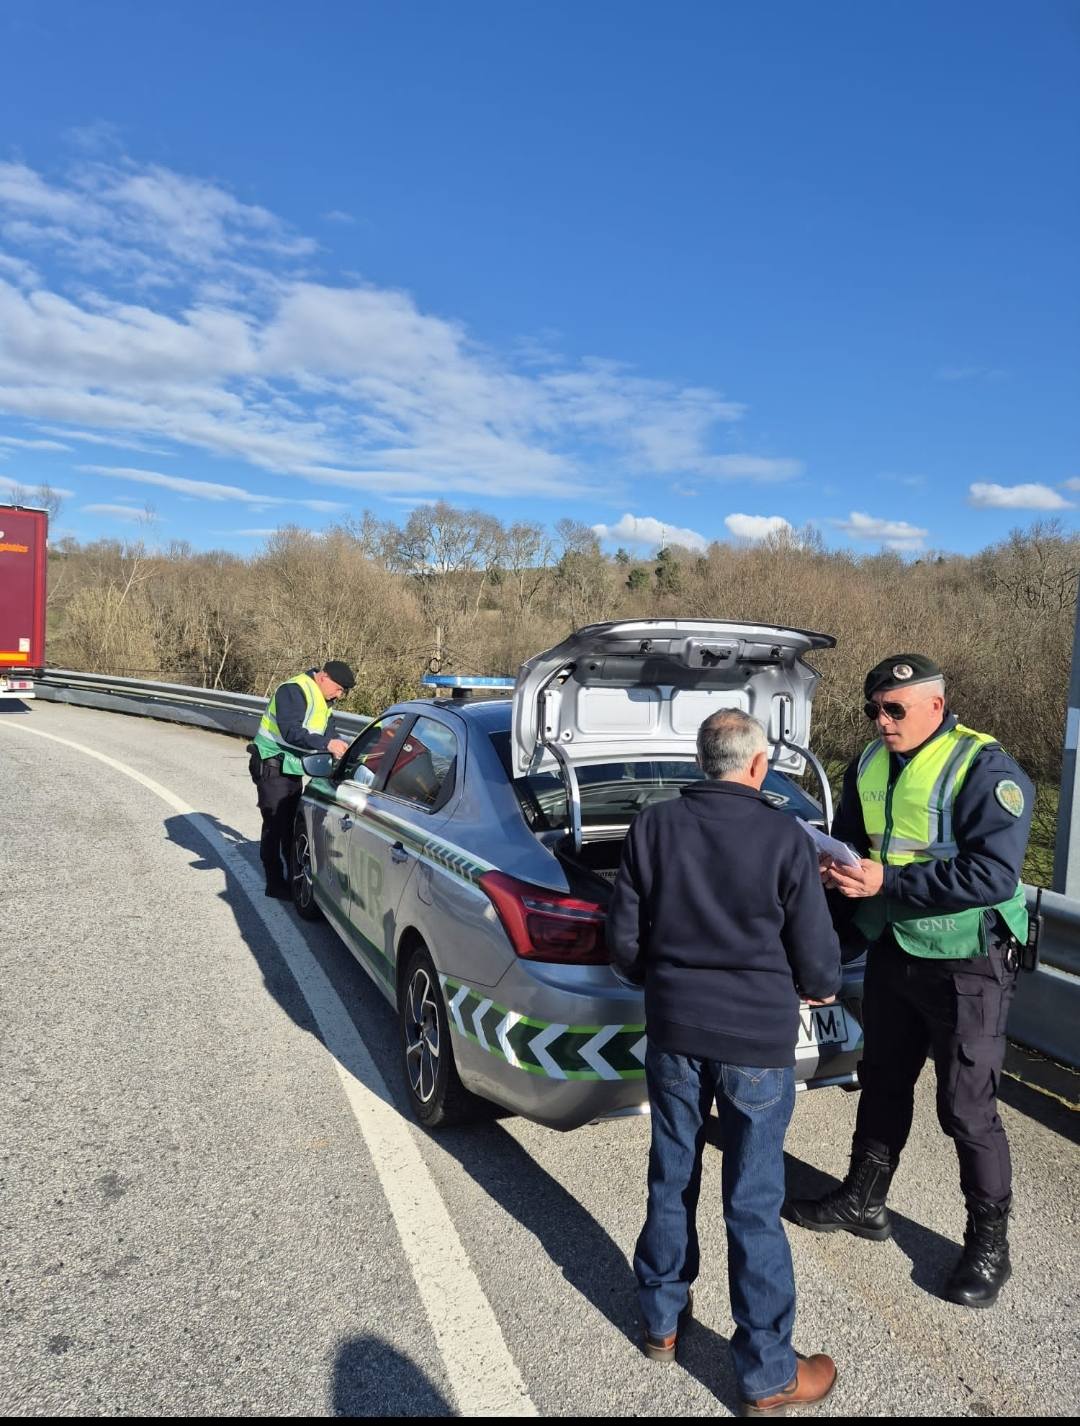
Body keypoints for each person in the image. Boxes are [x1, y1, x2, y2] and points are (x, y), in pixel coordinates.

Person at [608, 708, 841, 1417]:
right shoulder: (783, 835)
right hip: (756, 1046)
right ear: (758, 765)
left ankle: (660, 1322)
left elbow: (623, 942)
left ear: (701, 761)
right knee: (753, 1198)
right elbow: (820, 961)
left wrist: (666, 980)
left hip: (675, 1031)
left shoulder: (652, 826)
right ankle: (768, 1373)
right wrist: (816, 984)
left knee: (671, 1173)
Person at [786, 655, 1034, 1310]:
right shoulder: (867, 764)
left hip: (969, 961)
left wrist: (885, 881)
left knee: (967, 1106)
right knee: (884, 1079)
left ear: (934, 705)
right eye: (873, 709)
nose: (882, 721)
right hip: (894, 951)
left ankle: (988, 1243)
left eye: (895, 708)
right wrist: (827, 930)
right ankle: (864, 1201)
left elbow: (994, 877)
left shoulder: (983, 767)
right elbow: (852, 860)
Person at [248, 660, 355, 898]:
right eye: (338, 689)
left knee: (290, 826)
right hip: (270, 763)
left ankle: (294, 878)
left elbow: (328, 731)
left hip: (293, 767)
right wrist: (327, 744)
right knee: (276, 826)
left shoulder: (324, 700)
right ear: (324, 677)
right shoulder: (293, 690)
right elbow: (291, 731)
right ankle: (274, 883)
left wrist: (340, 745)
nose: (339, 695)